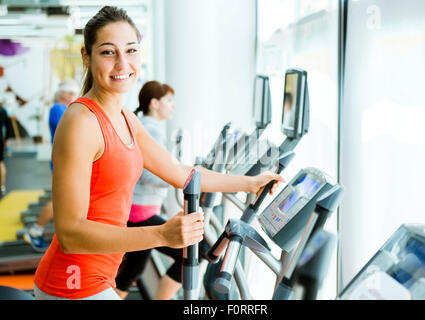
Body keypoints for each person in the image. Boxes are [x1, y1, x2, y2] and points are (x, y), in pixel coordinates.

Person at [32, 6, 282, 300]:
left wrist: (249, 184)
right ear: (86, 56)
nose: (122, 63)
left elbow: (180, 173)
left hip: (98, 276)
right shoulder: (81, 122)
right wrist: (162, 234)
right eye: (108, 52)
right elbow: (70, 234)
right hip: (72, 283)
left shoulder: (126, 118)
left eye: (131, 50)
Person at [114, 80, 185, 300]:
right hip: (139, 212)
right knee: (189, 255)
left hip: (136, 209)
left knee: (131, 272)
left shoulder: (143, 125)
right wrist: (177, 178)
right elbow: (146, 174)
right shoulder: (152, 130)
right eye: (169, 101)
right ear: (154, 103)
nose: (173, 106)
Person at [23, 80, 79, 252]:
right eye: (68, 93)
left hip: (67, 161)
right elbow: (73, 129)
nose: (71, 96)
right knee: (60, 202)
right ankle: (35, 230)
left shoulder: (65, 109)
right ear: (61, 93)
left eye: (73, 93)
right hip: (63, 162)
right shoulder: (57, 109)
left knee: (67, 202)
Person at [0, 102, 11, 196]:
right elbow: (8, 127)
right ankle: (2, 186)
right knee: (1, 162)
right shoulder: (3, 110)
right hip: (0, 139)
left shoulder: (3, 111)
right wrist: (6, 139)